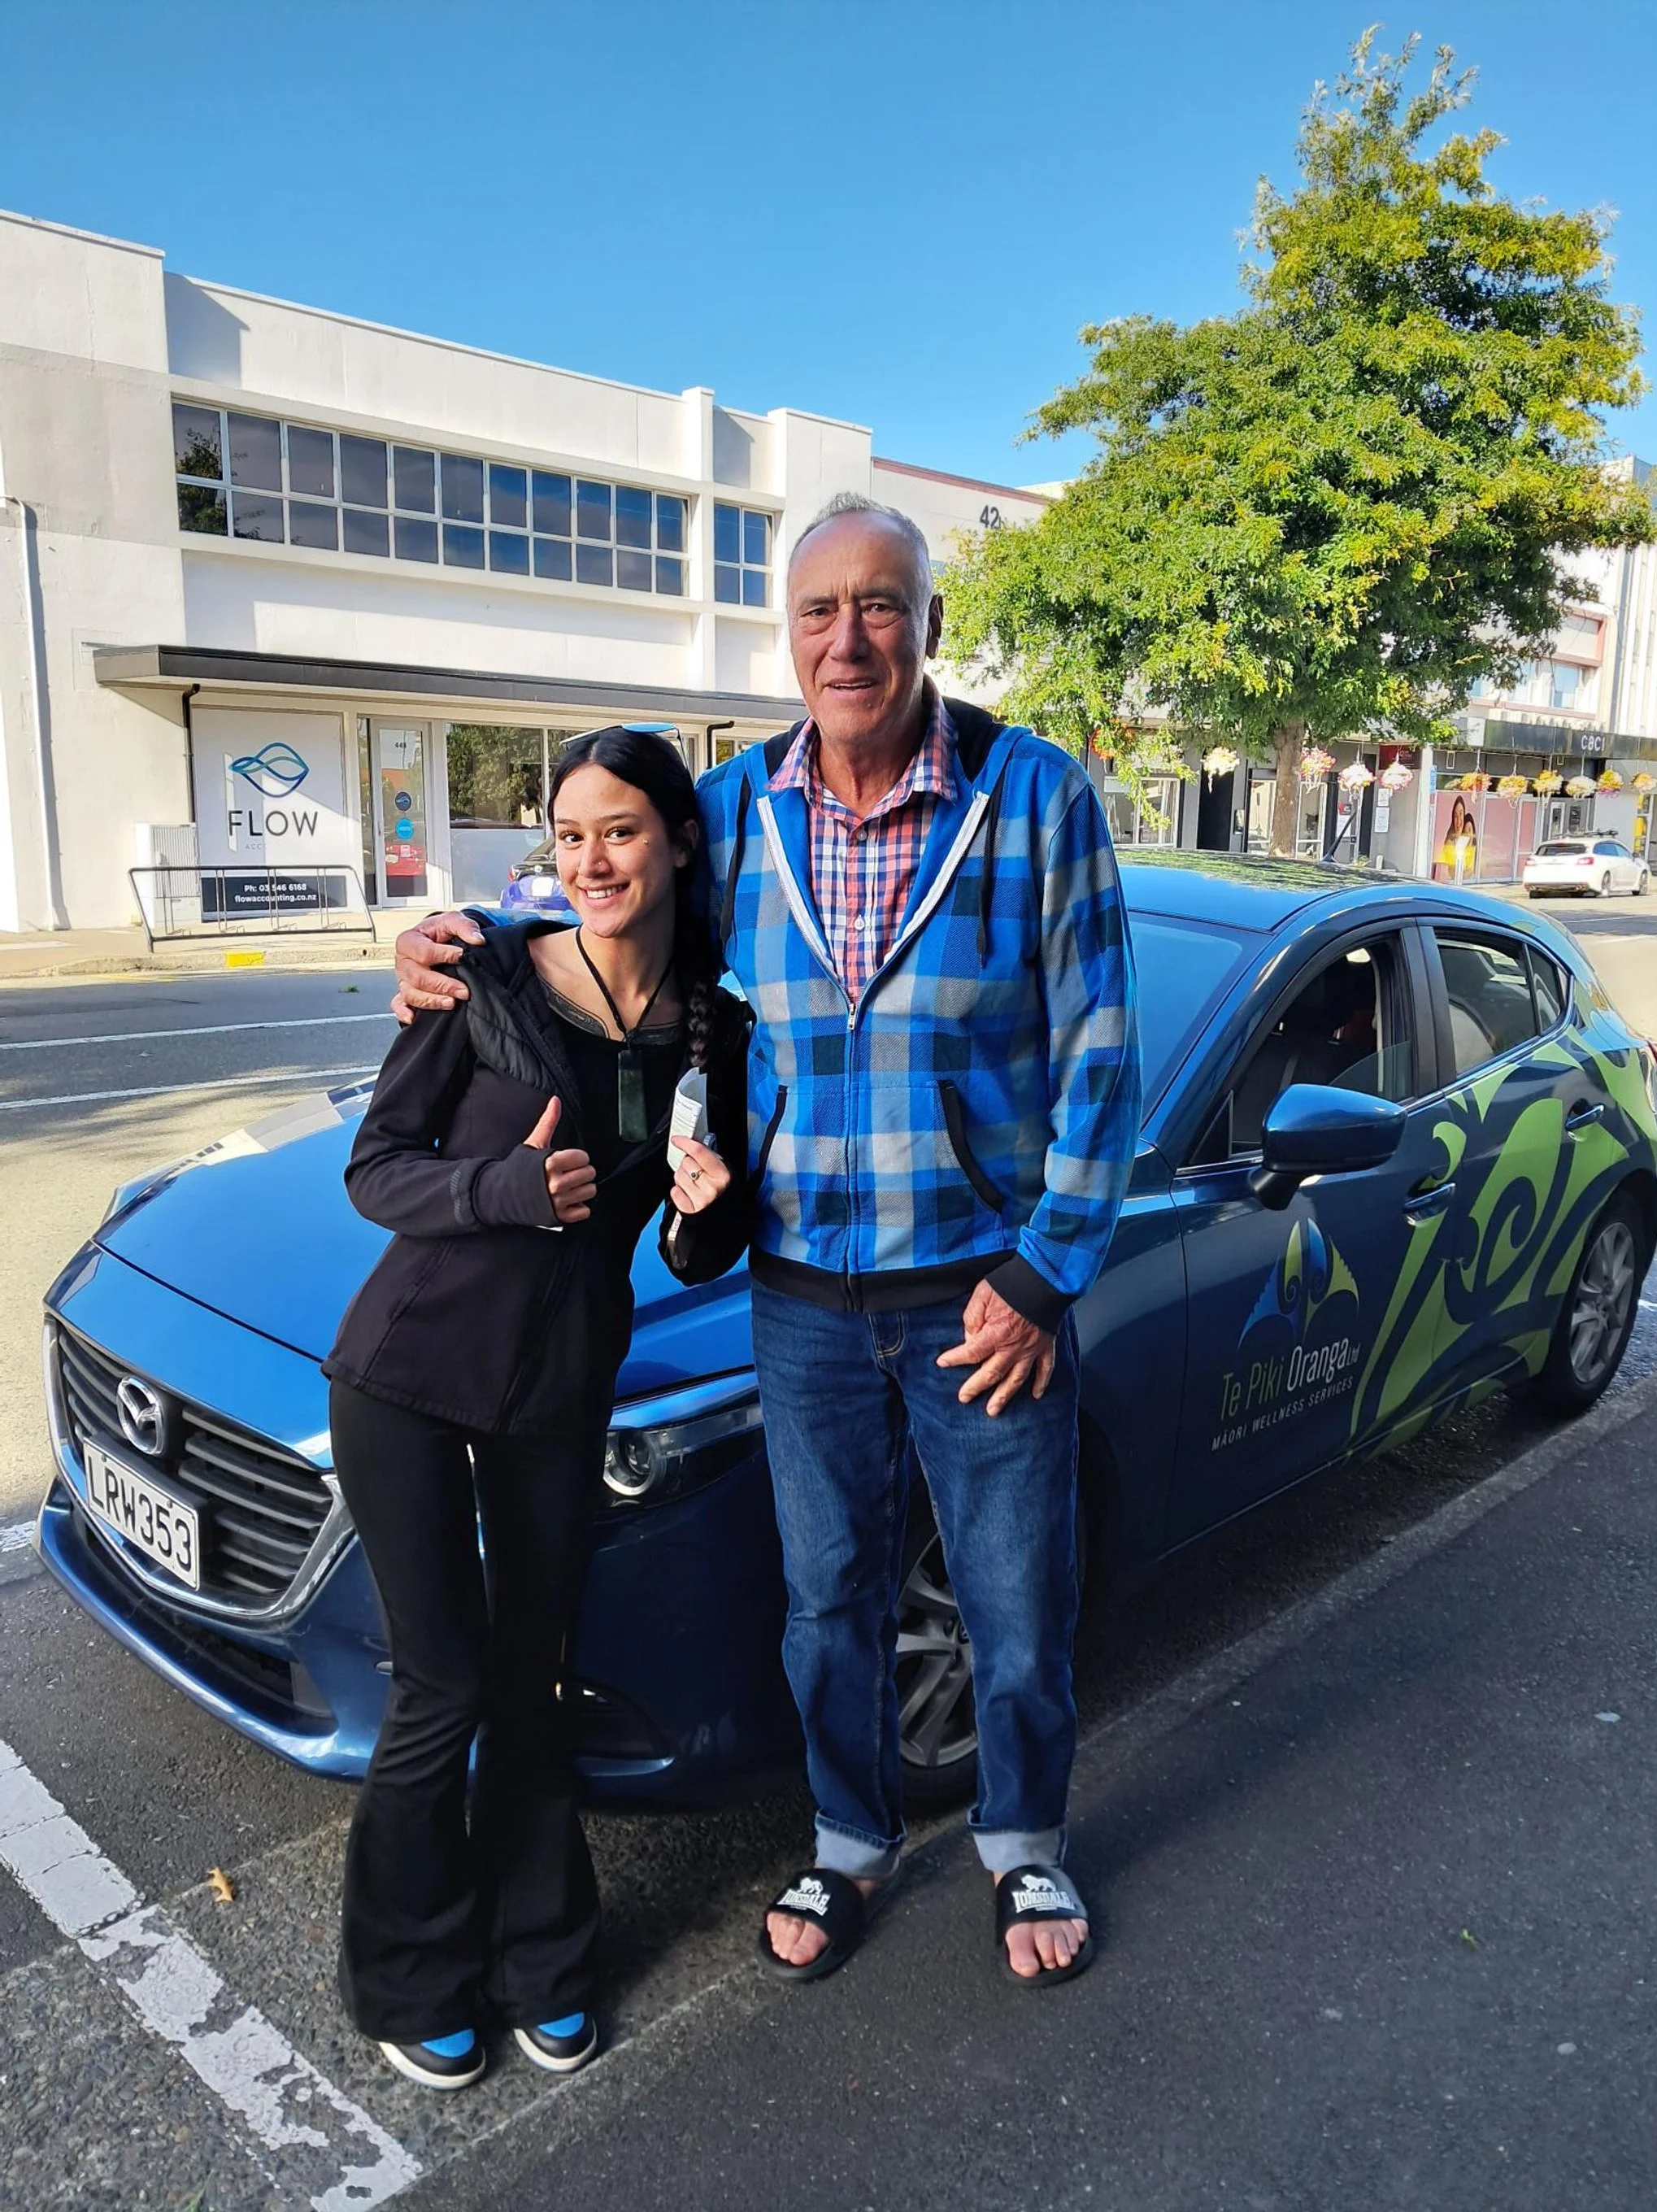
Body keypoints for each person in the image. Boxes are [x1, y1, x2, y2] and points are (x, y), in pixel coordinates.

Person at [394, 493, 1141, 1988]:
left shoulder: (1038, 796)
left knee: (1013, 1599)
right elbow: (600, 894)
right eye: (819, 612)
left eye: (880, 606)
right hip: (800, 1292)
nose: (848, 638)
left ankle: (1024, 1841)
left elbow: (1103, 1055)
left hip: (979, 1296)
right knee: (827, 1601)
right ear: (786, 637)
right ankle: (850, 1839)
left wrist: (1049, 1270)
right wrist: (449, 935)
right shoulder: (736, 813)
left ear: (930, 624)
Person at [325, 726, 750, 2089]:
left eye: (619, 831)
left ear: (675, 841)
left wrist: (713, 1213)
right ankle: (408, 1974)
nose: (591, 860)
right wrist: (500, 1193)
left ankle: (545, 1960)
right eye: (569, 837)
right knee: (443, 1687)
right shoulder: (482, 976)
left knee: (531, 1684)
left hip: (559, 1392)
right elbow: (375, 1169)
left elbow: (690, 1251)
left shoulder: (708, 1025)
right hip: (407, 1374)